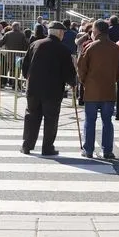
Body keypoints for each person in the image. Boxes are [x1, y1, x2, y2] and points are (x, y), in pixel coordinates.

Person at [21, 21, 77, 156]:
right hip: (53, 91)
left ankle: (27, 145)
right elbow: (68, 72)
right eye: (63, 33)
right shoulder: (63, 50)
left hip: (34, 88)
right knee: (51, 119)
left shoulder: (35, 44)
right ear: (60, 33)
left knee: (32, 116)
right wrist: (73, 83)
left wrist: (27, 77)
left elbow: (25, 65)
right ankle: (47, 147)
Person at [77, 20, 119, 159]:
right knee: (107, 122)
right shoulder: (116, 48)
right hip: (109, 89)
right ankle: (107, 151)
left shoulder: (90, 47)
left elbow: (81, 68)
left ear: (96, 31)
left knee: (90, 120)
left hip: (92, 89)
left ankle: (88, 150)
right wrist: (113, 79)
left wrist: (85, 81)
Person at [0, 21, 29, 89]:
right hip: (18, 56)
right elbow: (26, 45)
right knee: (17, 70)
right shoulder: (22, 35)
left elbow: (1, 42)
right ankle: (15, 84)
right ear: (18, 27)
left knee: (11, 70)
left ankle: (12, 83)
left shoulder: (7, 34)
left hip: (9, 56)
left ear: (12, 27)